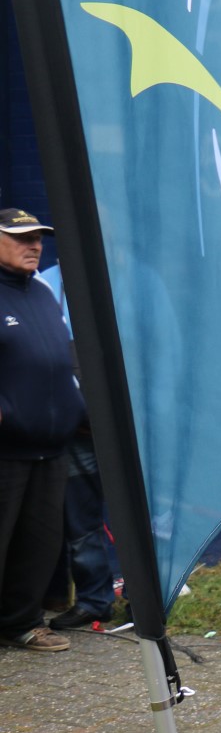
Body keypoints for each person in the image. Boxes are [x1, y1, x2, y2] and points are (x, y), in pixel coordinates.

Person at [0, 208, 84, 653]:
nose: (34, 246)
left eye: (37, 238)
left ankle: (23, 623)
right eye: (21, 238)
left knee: (39, 543)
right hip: (6, 449)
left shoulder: (43, 291)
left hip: (51, 446)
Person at [35, 265, 120, 631]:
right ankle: (95, 601)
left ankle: (149, 599)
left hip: (125, 427)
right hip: (76, 428)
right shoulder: (44, 284)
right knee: (81, 521)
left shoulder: (130, 277)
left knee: (143, 517)